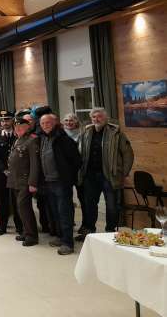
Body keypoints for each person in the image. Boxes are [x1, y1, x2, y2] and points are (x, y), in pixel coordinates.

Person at [78, 108, 134, 238]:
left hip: (110, 176)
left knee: (112, 206)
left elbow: (128, 154)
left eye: (99, 117)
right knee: (89, 205)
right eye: (94, 117)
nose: (96, 119)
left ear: (106, 118)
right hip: (90, 175)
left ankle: (110, 231)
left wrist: (123, 173)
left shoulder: (116, 133)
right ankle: (90, 230)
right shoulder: (86, 132)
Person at [39, 114, 82, 255]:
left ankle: (68, 243)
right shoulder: (43, 138)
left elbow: (76, 161)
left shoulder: (64, 140)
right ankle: (60, 236)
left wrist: (67, 176)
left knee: (65, 213)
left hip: (61, 183)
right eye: (43, 123)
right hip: (48, 181)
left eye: (48, 122)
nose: (45, 125)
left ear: (55, 123)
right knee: (55, 213)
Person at [7, 117, 40, 247]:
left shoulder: (32, 140)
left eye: (21, 127)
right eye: (16, 127)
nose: (18, 129)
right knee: (20, 208)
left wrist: (33, 182)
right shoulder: (18, 139)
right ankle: (27, 232)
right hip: (15, 179)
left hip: (25, 181)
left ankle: (32, 236)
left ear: (28, 126)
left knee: (24, 208)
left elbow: (35, 164)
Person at [0, 110, 20, 236]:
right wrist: (3, 169)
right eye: (3, 120)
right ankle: (2, 226)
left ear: (12, 121)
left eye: (7, 120)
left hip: (17, 174)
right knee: (2, 200)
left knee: (17, 201)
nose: (5, 122)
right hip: (2, 174)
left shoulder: (18, 135)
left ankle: (20, 227)